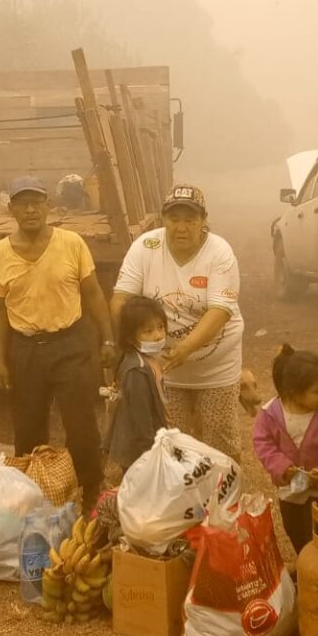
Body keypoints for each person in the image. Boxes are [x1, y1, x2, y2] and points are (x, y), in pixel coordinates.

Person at [0, 176, 115, 509]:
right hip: (25, 347)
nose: (30, 210)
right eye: (22, 203)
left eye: (36, 202)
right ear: (11, 208)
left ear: (47, 206)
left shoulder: (71, 243)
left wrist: (108, 339)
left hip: (70, 343)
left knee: (81, 422)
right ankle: (34, 493)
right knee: (27, 426)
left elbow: (94, 294)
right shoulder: (0, 252)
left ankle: (90, 490)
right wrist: (0, 360)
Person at [111, 184, 245, 457]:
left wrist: (185, 347)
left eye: (190, 219)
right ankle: (181, 498)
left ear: (203, 221)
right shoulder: (145, 247)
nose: (181, 227)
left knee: (221, 442)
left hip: (216, 368)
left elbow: (220, 311)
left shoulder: (220, 252)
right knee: (171, 442)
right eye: (174, 219)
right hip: (163, 370)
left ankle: (225, 498)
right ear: (163, 219)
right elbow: (120, 299)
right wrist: (128, 345)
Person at [252, 345, 318, 554]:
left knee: (317, 529)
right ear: (294, 392)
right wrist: (282, 467)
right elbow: (263, 442)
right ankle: (305, 561)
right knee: (293, 527)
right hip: (288, 488)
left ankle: (316, 564)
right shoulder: (270, 415)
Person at [104, 295, 170, 471]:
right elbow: (141, 419)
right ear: (131, 337)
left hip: (149, 444)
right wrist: (151, 453)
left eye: (160, 327)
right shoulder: (137, 370)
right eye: (148, 331)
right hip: (140, 451)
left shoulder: (149, 360)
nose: (157, 336)